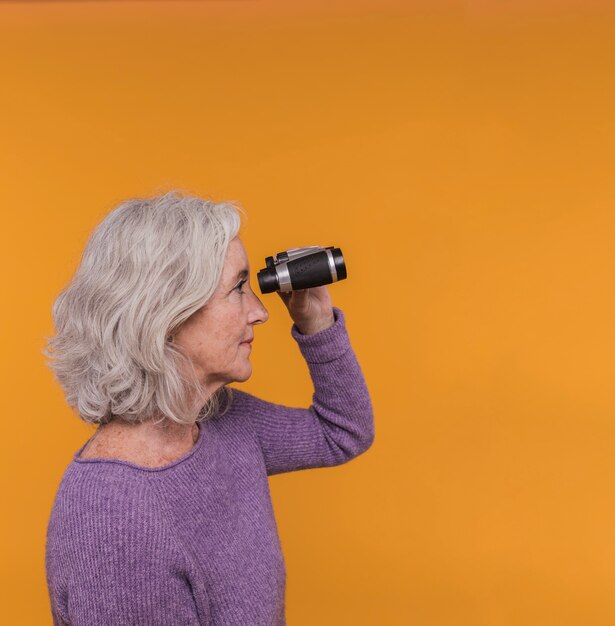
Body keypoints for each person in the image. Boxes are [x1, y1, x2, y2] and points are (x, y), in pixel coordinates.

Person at [44, 190, 375, 626]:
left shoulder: (224, 421)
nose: (259, 312)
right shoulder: (113, 521)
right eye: (238, 288)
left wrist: (316, 320)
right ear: (163, 315)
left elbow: (343, 431)